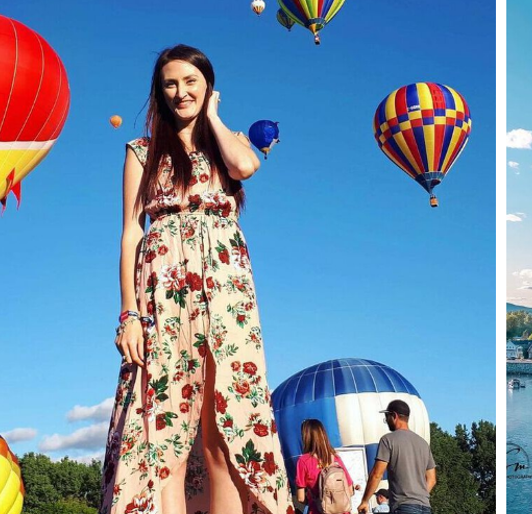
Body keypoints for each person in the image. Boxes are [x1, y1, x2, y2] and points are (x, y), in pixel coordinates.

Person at [98, 45, 290, 514]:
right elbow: (130, 233)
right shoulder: (142, 152)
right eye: (170, 83)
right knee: (165, 433)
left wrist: (214, 118)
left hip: (227, 290)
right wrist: (129, 314)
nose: (180, 92)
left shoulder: (228, 145)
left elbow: (246, 168)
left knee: (225, 430)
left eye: (191, 82)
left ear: (208, 87)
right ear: (159, 92)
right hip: (163, 288)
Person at [357, 401, 436, 514]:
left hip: (403, 506)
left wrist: (365, 501)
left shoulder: (388, 440)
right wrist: (419, 497)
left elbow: (377, 474)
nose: (386, 420)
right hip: (425, 507)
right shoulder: (423, 443)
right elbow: (432, 479)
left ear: (394, 416)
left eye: (387, 416)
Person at [295, 419, 358, 514]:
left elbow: (301, 498)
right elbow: (350, 491)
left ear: (306, 437)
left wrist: (315, 500)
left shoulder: (303, 461)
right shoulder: (335, 458)